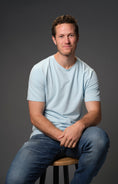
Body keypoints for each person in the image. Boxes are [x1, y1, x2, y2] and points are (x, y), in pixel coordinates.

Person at [5, 15, 109, 184]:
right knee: (14, 180)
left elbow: (95, 113)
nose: (66, 40)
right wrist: (62, 137)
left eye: (70, 35)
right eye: (61, 36)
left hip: (76, 136)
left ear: (77, 38)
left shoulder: (88, 73)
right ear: (54, 39)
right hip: (44, 138)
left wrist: (79, 126)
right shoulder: (40, 70)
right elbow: (35, 116)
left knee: (99, 139)